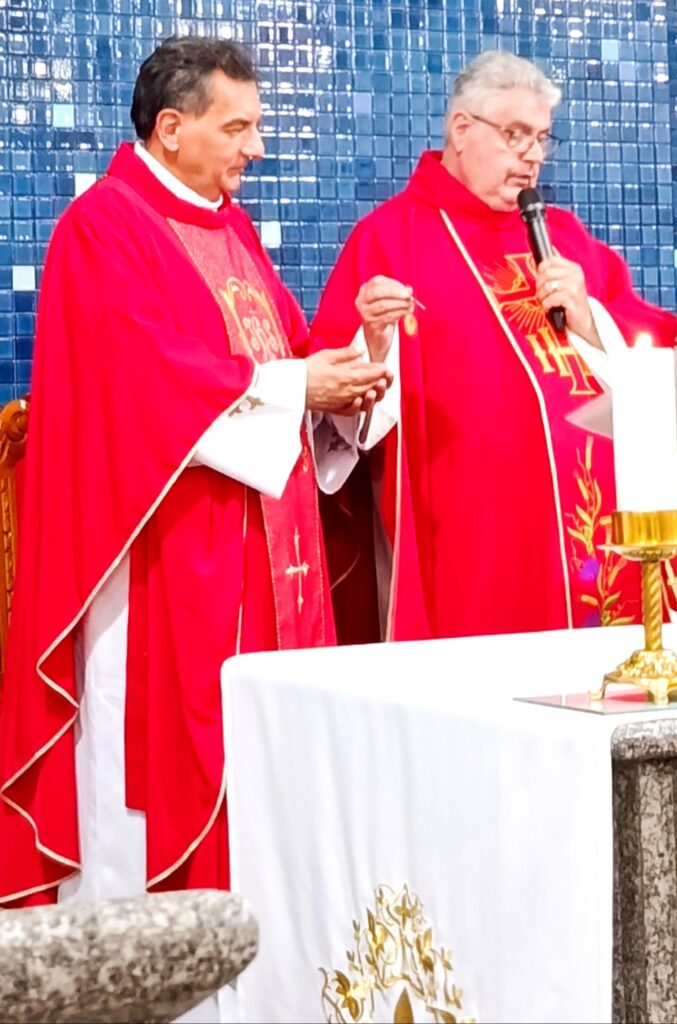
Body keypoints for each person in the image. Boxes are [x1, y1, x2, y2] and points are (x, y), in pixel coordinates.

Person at [0, 36, 404, 909]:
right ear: (174, 127)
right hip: (167, 561)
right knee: (161, 781)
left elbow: (279, 357)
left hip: (264, 557)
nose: (257, 147)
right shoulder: (103, 228)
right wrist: (301, 382)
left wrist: (359, 357)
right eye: (241, 127)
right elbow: (141, 381)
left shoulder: (229, 227)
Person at [311, 50, 677, 643]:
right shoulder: (391, 240)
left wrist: (591, 317)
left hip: (604, 524)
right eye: (517, 134)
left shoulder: (565, 236)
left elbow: (649, 338)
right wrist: (372, 337)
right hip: (479, 534)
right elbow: (335, 392)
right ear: (462, 129)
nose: (533, 155)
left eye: (543, 138)